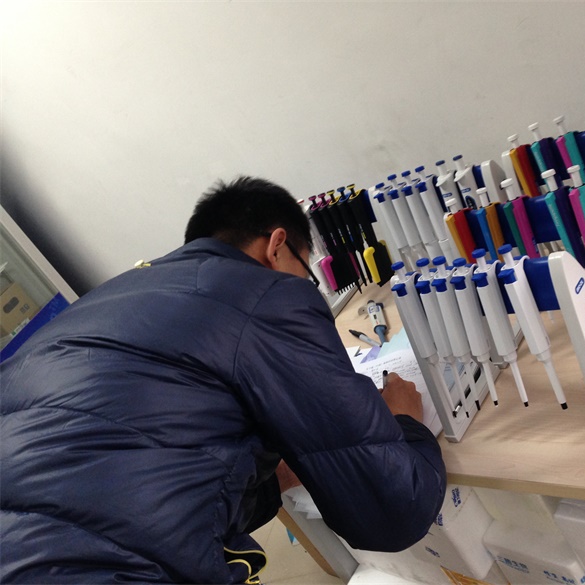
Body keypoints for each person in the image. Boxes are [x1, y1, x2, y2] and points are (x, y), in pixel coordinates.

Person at [0, 176, 447, 584]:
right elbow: (394, 509)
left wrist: (273, 479)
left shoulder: (109, 295)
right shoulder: (268, 294)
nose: (305, 285)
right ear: (277, 245)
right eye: (307, 272)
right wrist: (406, 422)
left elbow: (133, 464)